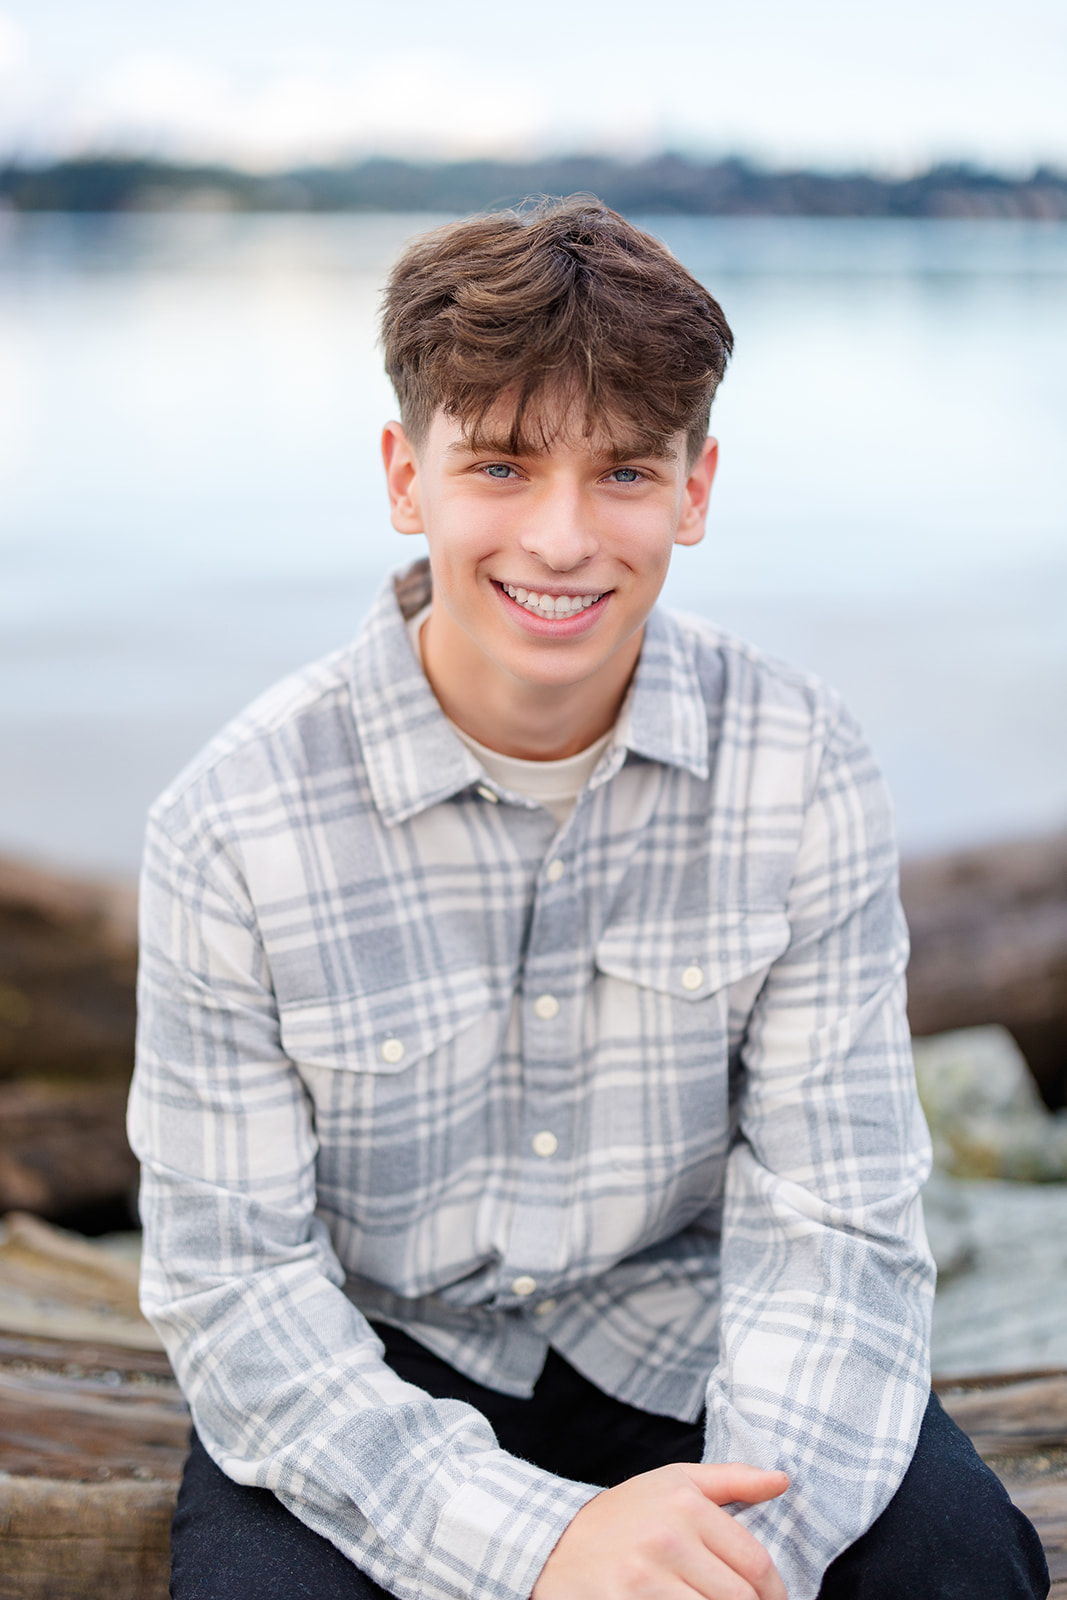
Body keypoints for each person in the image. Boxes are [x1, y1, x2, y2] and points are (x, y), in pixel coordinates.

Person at [128, 198, 1048, 1600]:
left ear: (696, 487)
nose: (561, 539)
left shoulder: (801, 767)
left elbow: (837, 1215)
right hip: (375, 1360)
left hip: (690, 1329)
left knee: (961, 1565)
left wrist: (740, 1561)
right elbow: (235, 1283)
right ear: (403, 473)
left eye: (623, 473)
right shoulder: (229, 824)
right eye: (499, 464)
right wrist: (545, 1547)